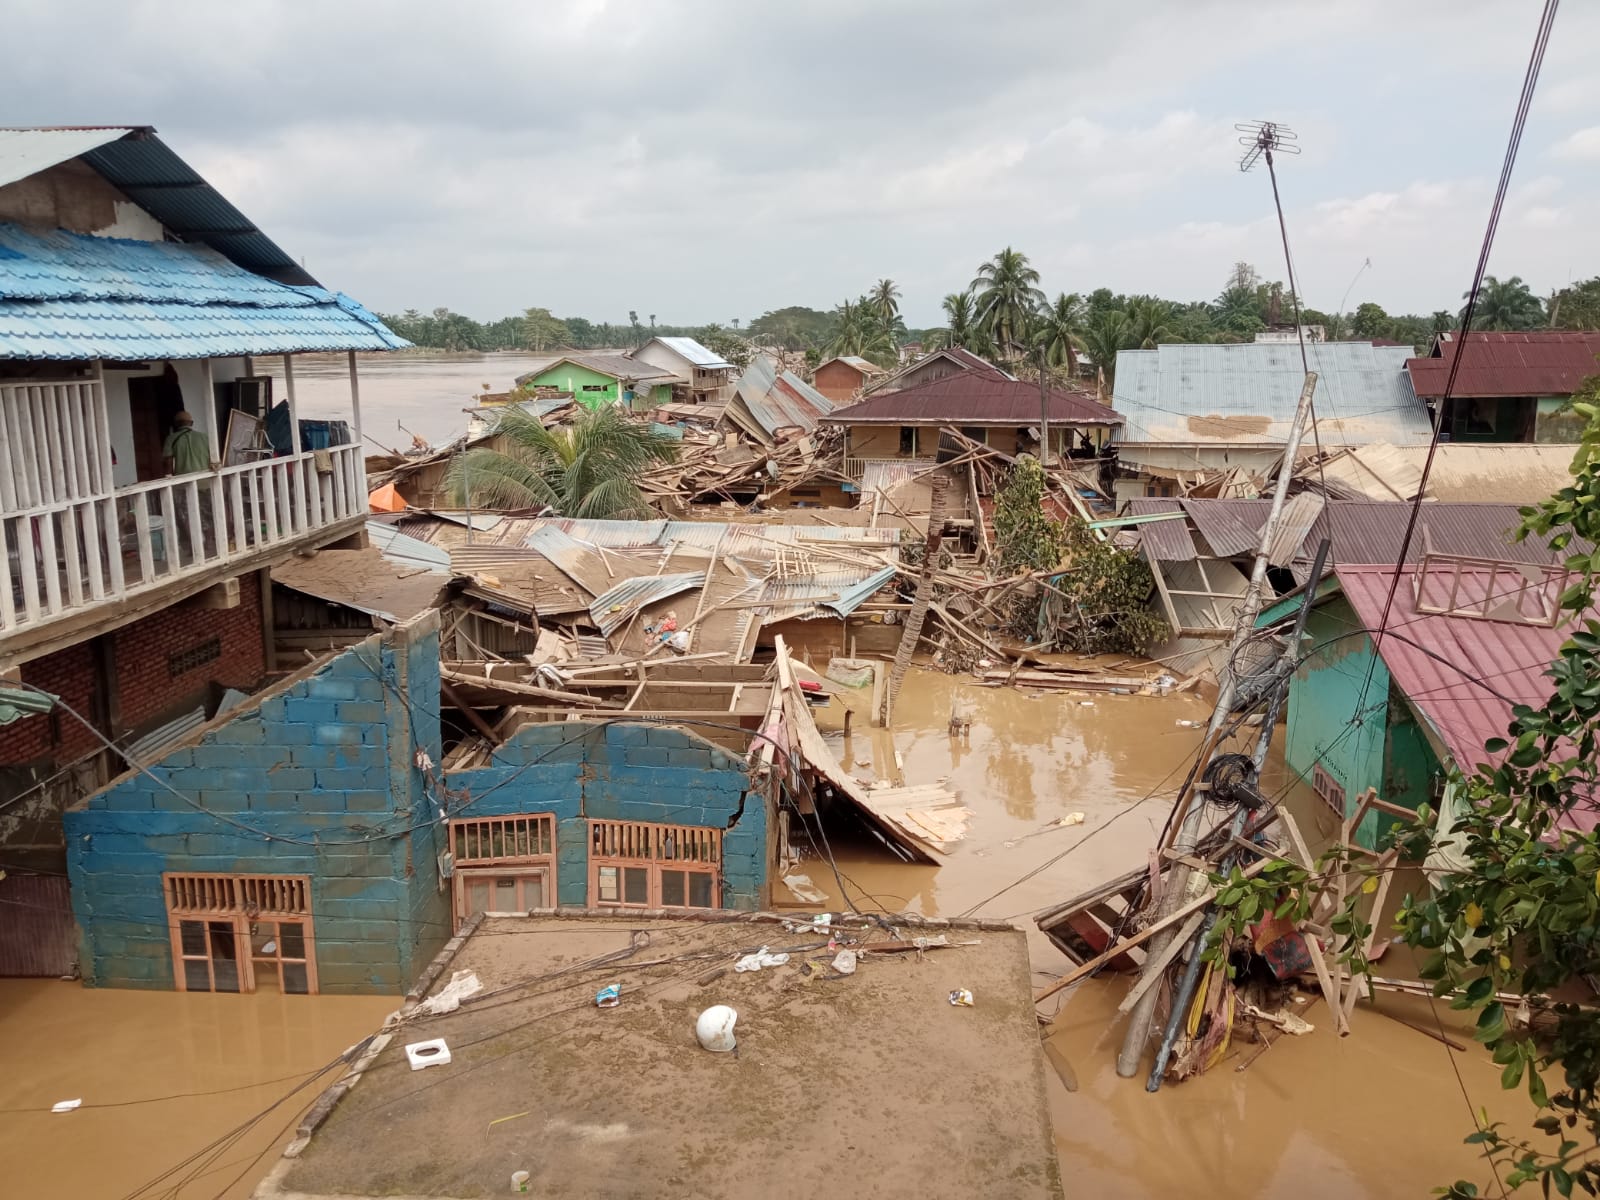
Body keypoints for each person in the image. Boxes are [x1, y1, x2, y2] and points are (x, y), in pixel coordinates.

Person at [162, 411, 211, 477]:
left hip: (184, 481)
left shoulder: (170, 439)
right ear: (192, 423)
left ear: (176, 424)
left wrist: (168, 478)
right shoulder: (205, 437)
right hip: (205, 479)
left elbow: (168, 462)